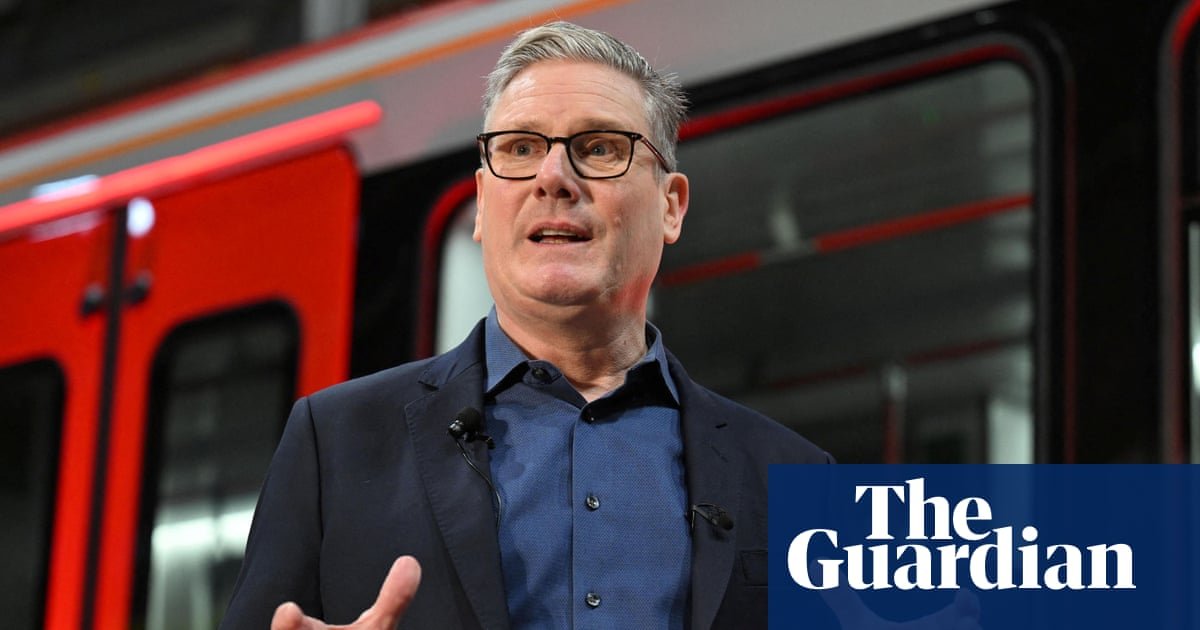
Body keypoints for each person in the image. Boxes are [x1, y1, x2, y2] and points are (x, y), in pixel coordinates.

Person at [220, 21, 831, 630]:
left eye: (599, 148)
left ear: (670, 206)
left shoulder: (804, 476)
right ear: (483, 203)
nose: (553, 178)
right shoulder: (331, 440)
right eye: (519, 149)